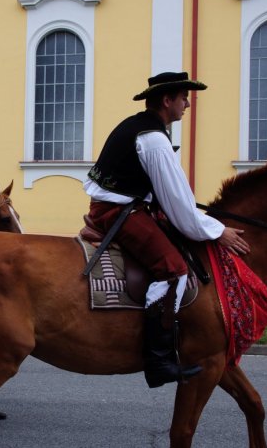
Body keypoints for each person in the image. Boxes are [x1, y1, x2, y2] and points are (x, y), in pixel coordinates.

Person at [83, 71, 250, 388]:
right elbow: (180, 207)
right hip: (118, 212)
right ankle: (159, 361)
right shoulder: (154, 140)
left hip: (120, 206)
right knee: (174, 269)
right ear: (167, 100)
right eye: (183, 97)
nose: (187, 104)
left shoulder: (137, 126)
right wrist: (218, 231)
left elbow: (172, 199)